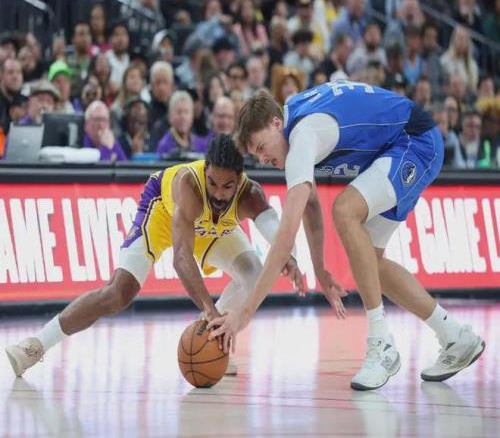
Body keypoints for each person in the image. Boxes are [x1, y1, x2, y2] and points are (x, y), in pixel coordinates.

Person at [208, 82, 485, 391]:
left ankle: (381, 344)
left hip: (414, 141)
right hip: (395, 147)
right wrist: (320, 268)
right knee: (372, 264)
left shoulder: (303, 136)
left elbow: (285, 238)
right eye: (255, 154)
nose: (262, 159)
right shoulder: (292, 127)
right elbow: (311, 205)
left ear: (275, 123)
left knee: (344, 209)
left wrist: (244, 314)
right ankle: (456, 337)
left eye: (261, 147)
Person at [5, 135, 302, 377]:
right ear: (205, 170)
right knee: (118, 293)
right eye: (212, 182)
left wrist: (291, 256)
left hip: (212, 228)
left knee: (254, 274)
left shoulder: (251, 194)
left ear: (240, 180)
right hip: (160, 214)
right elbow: (181, 258)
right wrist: (211, 311)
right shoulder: (189, 184)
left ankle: (212, 340)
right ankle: (34, 345)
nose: (218, 193)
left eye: (227, 187)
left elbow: (278, 232)